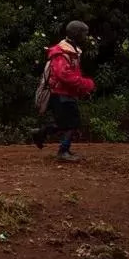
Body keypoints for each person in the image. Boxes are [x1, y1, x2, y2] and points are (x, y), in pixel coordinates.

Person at [31, 21, 95, 162]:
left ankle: (42, 133)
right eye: (84, 33)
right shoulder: (62, 52)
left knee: (66, 123)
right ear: (77, 33)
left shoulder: (71, 50)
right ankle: (63, 151)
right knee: (71, 123)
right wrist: (86, 84)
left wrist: (80, 88)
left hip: (65, 93)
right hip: (60, 93)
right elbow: (63, 75)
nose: (86, 36)